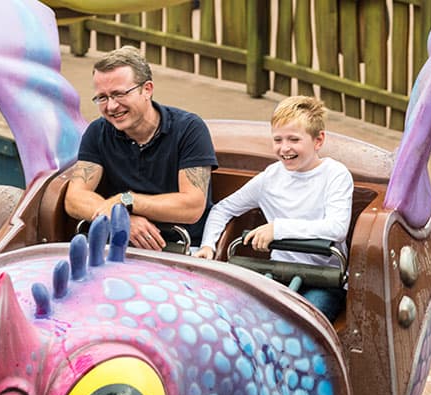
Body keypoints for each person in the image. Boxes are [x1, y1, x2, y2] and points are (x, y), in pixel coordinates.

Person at [194, 96, 353, 321]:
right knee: (238, 316)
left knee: (303, 323)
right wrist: (208, 245)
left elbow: (336, 228)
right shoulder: (270, 177)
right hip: (279, 273)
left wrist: (276, 229)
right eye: (278, 139)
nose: (284, 148)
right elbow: (223, 209)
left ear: (318, 141)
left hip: (324, 278)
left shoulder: (335, 174)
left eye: (294, 139)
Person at [65, 46, 217, 251]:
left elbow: (192, 207)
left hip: (182, 247)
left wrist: (127, 200)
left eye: (119, 94)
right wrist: (122, 219)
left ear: (147, 89)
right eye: (102, 97)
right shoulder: (98, 131)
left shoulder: (189, 129)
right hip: (119, 243)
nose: (111, 107)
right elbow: (74, 199)